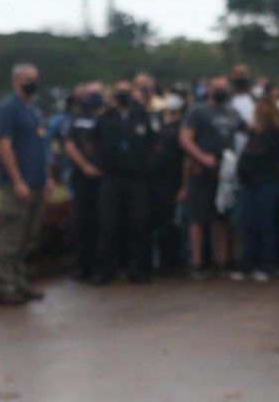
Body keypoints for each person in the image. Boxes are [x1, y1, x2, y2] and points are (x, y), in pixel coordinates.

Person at [0, 63, 50, 306]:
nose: (33, 82)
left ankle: (19, 282)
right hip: (17, 184)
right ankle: (6, 286)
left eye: (35, 78)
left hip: (36, 182)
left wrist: (47, 176)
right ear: (16, 81)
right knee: (11, 236)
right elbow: (4, 145)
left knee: (29, 236)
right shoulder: (8, 109)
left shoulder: (33, 110)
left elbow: (41, 146)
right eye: (28, 78)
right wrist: (17, 180)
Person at [180, 76, 241, 279]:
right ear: (209, 90)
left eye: (224, 87)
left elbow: (246, 132)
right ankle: (197, 264)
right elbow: (185, 138)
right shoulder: (198, 111)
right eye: (217, 88)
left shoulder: (232, 112)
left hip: (225, 174)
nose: (221, 91)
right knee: (198, 218)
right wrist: (201, 157)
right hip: (202, 171)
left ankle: (222, 262)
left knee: (222, 218)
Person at [96, 80, 156, 283]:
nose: (124, 95)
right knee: (108, 224)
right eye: (120, 92)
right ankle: (107, 270)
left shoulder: (141, 116)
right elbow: (94, 142)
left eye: (127, 92)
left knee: (140, 223)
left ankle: (138, 269)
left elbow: (152, 143)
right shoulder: (105, 117)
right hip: (112, 178)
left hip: (137, 178)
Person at [60, 82, 106, 281]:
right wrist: (85, 166)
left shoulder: (108, 116)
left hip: (105, 178)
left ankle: (102, 267)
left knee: (104, 223)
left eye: (98, 93)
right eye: (91, 93)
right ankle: (84, 267)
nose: (94, 97)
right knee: (83, 222)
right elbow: (68, 144)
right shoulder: (77, 118)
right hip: (82, 177)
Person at [237, 97, 279, 281]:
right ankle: (249, 263)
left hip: (266, 182)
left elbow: (259, 155)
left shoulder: (273, 133)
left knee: (264, 225)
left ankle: (266, 264)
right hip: (253, 183)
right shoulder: (255, 133)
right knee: (250, 224)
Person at [150, 93, 186, 273]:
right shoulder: (167, 129)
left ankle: (170, 261)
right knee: (166, 223)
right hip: (163, 182)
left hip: (172, 182)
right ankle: (167, 260)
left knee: (170, 224)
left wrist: (184, 187)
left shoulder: (178, 130)